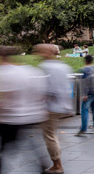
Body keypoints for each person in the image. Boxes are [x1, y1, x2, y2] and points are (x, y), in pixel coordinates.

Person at [0, 46, 48, 174]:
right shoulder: (31, 71)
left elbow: (2, 98)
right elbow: (41, 94)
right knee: (30, 145)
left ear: (0, 57)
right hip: (31, 116)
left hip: (10, 118)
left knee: (1, 150)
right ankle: (42, 166)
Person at [34, 44, 72, 174]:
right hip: (61, 106)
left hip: (50, 107)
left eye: (40, 51)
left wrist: (43, 105)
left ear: (48, 53)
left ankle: (57, 164)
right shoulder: (63, 66)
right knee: (52, 134)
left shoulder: (46, 66)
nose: (38, 54)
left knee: (49, 135)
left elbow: (48, 89)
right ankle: (57, 156)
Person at [76, 55, 94, 136]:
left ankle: (83, 129)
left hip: (89, 93)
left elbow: (85, 83)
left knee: (84, 110)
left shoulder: (84, 70)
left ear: (85, 61)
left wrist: (84, 94)